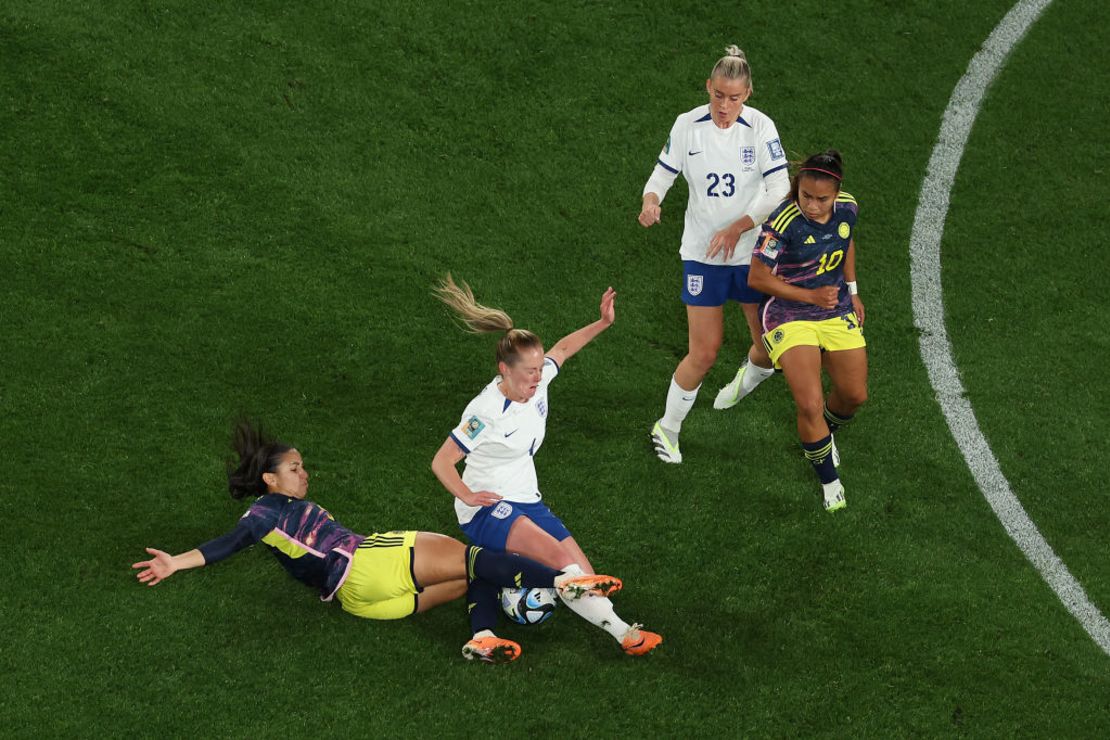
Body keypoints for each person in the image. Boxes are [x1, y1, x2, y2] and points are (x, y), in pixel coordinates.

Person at [132, 419, 623, 664]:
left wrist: (176, 563)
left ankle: (481, 638)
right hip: (370, 561)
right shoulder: (262, 515)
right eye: (295, 469)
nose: (305, 474)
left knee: (468, 578)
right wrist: (177, 561)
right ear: (271, 479)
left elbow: (230, 543)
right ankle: (565, 584)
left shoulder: (266, 515)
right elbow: (225, 544)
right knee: (480, 560)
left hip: (359, 602)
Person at [430, 276, 662, 656]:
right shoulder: (485, 411)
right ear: (504, 370)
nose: (538, 379)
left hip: (527, 498)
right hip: (488, 508)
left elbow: (564, 349)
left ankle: (626, 635)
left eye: (540, 369)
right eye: (529, 373)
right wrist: (468, 495)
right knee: (560, 563)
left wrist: (602, 322)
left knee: (584, 573)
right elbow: (442, 461)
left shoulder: (540, 382)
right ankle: (622, 632)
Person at [638, 45, 791, 464]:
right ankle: (667, 429)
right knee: (704, 352)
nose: (725, 106)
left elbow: (780, 189)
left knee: (771, 348)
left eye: (734, 98)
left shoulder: (760, 128)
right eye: (718, 95)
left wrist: (739, 226)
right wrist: (651, 201)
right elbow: (662, 174)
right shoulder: (688, 125)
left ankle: (750, 375)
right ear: (709, 87)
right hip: (703, 255)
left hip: (753, 253)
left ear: (748, 94)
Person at [747, 150, 867, 511]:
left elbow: (844, 242)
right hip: (788, 312)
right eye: (806, 196)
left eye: (821, 199)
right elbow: (757, 277)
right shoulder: (781, 222)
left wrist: (854, 290)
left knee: (854, 395)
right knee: (810, 403)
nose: (812, 206)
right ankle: (830, 481)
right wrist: (809, 295)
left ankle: (824, 434)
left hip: (834, 307)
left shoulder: (848, 208)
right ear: (797, 188)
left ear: (836, 193)